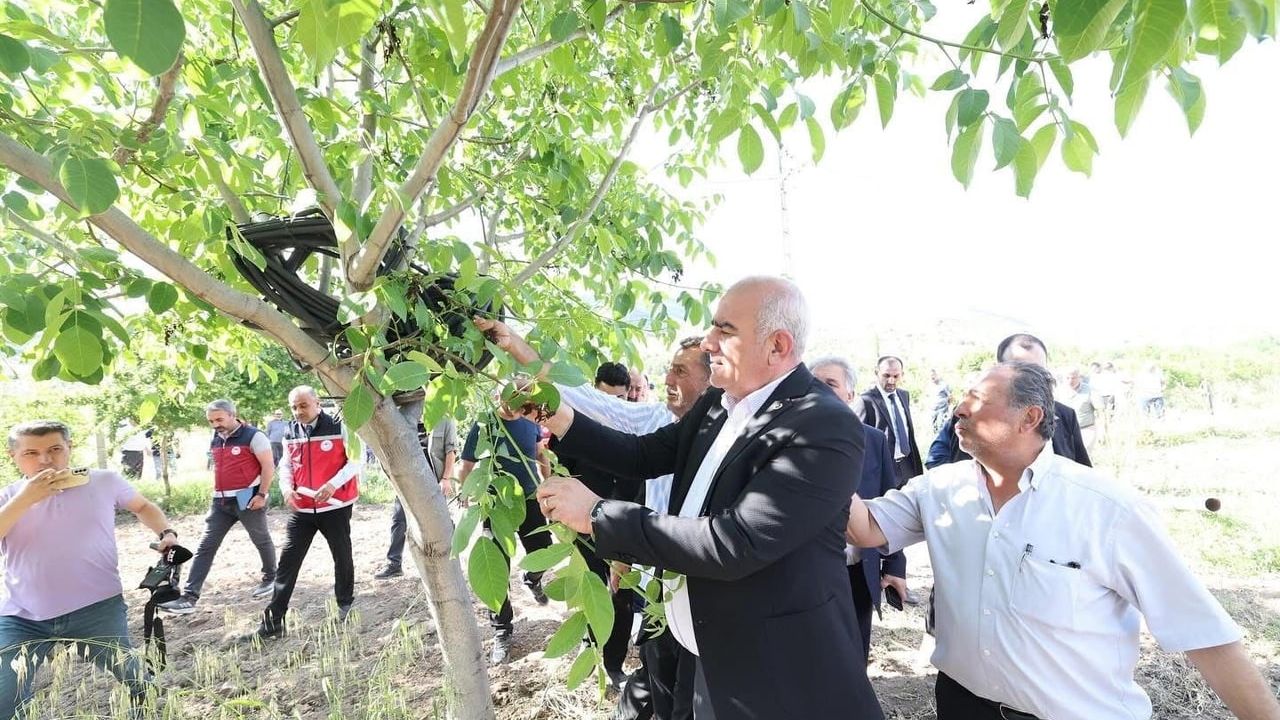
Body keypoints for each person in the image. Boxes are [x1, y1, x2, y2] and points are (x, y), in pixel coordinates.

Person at [533, 276, 884, 720]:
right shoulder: (720, 402)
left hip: (773, 673)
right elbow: (642, 454)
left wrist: (599, 515)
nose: (709, 343)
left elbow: (735, 543)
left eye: (725, 330)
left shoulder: (823, 426)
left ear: (776, 346)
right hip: (703, 652)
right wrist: (550, 410)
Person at [846, 362, 1280, 720]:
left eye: (977, 400)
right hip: (962, 705)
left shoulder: (1107, 511)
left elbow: (1204, 634)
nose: (959, 408)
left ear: (1029, 417)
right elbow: (866, 528)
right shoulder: (939, 489)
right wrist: (816, 456)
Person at [476, 319, 713, 720]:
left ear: (713, 381)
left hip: (703, 578)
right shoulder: (655, 420)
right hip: (659, 573)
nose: (667, 377)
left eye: (681, 371)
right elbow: (584, 401)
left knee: (686, 679)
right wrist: (516, 347)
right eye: (669, 368)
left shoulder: (727, 438)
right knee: (658, 659)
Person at [1, 420, 178, 720]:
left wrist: (166, 533)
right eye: (31, 452)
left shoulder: (104, 481)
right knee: (5, 693)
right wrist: (26, 499)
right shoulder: (8, 497)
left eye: (55, 449)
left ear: (69, 448)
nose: (45, 460)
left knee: (133, 678)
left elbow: (143, 506)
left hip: (97, 607)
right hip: (23, 616)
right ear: (12, 456)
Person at [809, 357, 907, 661]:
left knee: (854, 655)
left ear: (851, 395)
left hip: (857, 574)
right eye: (812, 384)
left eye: (830, 384)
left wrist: (893, 567)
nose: (818, 391)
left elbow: (887, 503)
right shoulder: (787, 440)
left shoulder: (874, 441)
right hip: (808, 573)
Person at [252, 386, 361, 639]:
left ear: (317, 403)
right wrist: (287, 488)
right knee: (288, 562)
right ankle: (273, 621)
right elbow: (287, 464)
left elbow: (356, 460)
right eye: (294, 407)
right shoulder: (290, 430)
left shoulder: (339, 425)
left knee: (342, 555)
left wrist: (333, 484)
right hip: (303, 507)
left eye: (303, 405)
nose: (298, 411)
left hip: (335, 505)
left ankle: (345, 604)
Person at [159, 399, 278, 614]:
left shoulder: (254, 436)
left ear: (233, 415)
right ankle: (189, 598)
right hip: (220, 502)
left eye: (219, 419)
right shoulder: (216, 438)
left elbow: (268, 465)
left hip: (248, 498)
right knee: (206, 546)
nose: (215, 424)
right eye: (211, 421)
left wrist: (262, 494)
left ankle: (271, 577)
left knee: (260, 539)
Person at [457, 401, 550, 664]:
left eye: (519, 399)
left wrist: (549, 483)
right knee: (495, 570)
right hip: (496, 504)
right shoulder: (484, 423)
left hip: (530, 498)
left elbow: (541, 454)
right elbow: (466, 464)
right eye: (507, 396)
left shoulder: (530, 421)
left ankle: (532, 578)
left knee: (545, 550)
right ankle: (502, 630)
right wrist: (466, 491)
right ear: (499, 395)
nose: (512, 404)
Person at [927, 334, 1091, 469]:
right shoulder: (971, 411)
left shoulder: (1065, 415)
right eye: (1020, 369)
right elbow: (938, 454)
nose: (1032, 379)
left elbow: (1082, 470)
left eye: (1038, 370)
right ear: (999, 368)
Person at [375, 417, 459, 580]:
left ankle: (452, 562)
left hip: (435, 480)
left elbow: (451, 451)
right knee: (399, 520)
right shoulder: (404, 417)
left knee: (443, 522)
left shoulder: (445, 418)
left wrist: (446, 478)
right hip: (408, 479)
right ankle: (394, 564)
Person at [862, 355, 925, 485]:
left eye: (896, 376)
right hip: (883, 469)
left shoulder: (904, 395)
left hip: (908, 466)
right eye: (886, 375)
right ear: (876, 373)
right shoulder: (866, 401)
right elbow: (859, 439)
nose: (891, 380)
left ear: (902, 374)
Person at [1058, 368, 1097, 450]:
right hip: (1065, 432)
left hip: (1085, 430)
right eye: (1067, 378)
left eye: (1073, 378)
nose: (1070, 381)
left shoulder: (1090, 390)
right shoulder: (1059, 391)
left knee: (1084, 457)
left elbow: (1101, 411)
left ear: (1079, 377)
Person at [928, 368, 952, 433]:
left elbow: (950, 396)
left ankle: (942, 440)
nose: (932, 377)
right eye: (930, 376)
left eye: (933, 375)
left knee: (941, 425)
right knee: (933, 427)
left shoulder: (944, 385)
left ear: (936, 375)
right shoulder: (930, 386)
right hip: (933, 409)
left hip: (942, 409)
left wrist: (948, 406)